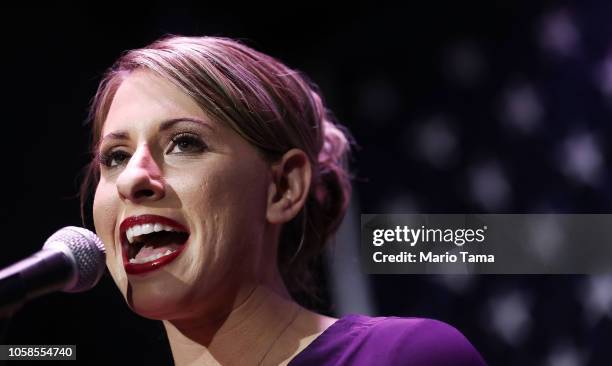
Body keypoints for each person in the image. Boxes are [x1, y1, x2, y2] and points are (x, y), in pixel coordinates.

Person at [79, 35, 486, 365]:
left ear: (284, 187)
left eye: (184, 143)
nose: (132, 178)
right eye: (116, 156)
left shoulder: (401, 357)